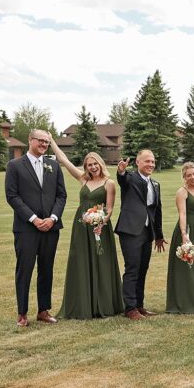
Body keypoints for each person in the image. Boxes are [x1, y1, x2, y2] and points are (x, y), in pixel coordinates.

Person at [47, 136, 124, 319]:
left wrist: (101, 223)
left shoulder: (109, 183)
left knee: (101, 262)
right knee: (80, 261)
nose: (92, 167)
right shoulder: (83, 179)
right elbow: (64, 161)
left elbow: (110, 208)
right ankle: (83, 304)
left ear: (100, 163)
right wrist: (52, 142)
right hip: (81, 227)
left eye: (95, 163)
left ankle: (104, 303)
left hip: (100, 228)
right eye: (89, 165)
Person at [4, 129, 67, 327]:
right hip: (26, 229)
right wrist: (33, 219)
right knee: (25, 270)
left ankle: (43, 310)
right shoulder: (14, 165)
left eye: (47, 142)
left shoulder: (53, 165)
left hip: (51, 227)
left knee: (46, 269)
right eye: (40, 140)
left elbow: (61, 195)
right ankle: (22, 313)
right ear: (30, 140)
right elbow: (12, 196)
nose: (44, 144)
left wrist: (53, 218)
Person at [115, 149, 165, 320]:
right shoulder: (130, 178)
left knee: (143, 269)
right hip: (130, 230)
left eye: (152, 161)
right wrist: (121, 170)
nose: (150, 164)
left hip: (147, 232)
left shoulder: (156, 184)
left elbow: (157, 211)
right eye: (147, 161)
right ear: (137, 162)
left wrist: (158, 235)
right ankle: (130, 308)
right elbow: (122, 178)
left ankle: (139, 305)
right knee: (132, 268)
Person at [166, 162, 194, 314]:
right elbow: (182, 214)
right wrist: (184, 234)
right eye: (188, 175)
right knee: (186, 267)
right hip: (187, 230)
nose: (192, 177)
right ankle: (185, 303)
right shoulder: (182, 192)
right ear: (184, 178)